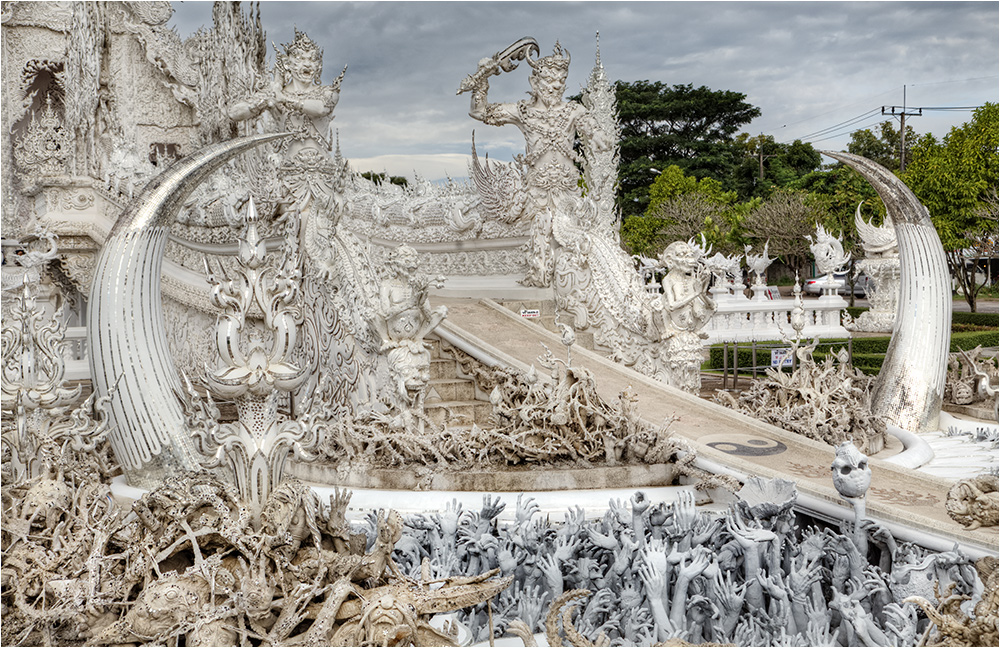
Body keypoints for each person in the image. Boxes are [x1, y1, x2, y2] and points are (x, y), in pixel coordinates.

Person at [466, 42, 609, 287]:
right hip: (536, 193)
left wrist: (597, 136)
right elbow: (480, 112)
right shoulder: (523, 112)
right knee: (540, 235)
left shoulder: (572, 110)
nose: (556, 87)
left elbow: (590, 126)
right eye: (550, 82)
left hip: (568, 193)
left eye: (561, 83)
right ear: (535, 84)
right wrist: (482, 82)